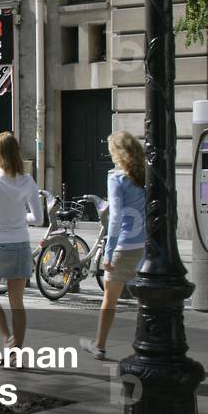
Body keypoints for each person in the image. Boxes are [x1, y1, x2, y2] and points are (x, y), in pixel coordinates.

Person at [0, 132, 43, 358]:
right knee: (18, 303)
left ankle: (6, 340)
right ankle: (17, 350)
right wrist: (19, 218)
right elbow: (39, 218)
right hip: (21, 244)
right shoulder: (28, 180)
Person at [80, 131, 146, 360]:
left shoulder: (117, 179)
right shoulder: (145, 175)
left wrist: (108, 252)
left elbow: (116, 217)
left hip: (124, 245)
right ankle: (145, 342)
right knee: (144, 300)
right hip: (143, 245)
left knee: (110, 299)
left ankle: (99, 344)